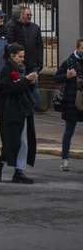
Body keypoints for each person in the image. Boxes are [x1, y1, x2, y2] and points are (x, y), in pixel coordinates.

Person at [0, 43, 38, 184]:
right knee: (12, 141)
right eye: (20, 56)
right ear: (12, 56)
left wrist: (28, 82)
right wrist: (25, 80)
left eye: (23, 56)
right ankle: (0, 165)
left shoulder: (20, 68)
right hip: (11, 110)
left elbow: (20, 87)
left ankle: (19, 171)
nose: (22, 59)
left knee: (23, 141)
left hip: (22, 109)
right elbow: (6, 88)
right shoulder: (7, 69)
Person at [53, 37, 83, 172]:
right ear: (78, 49)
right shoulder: (69, 62)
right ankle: (64, 159)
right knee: (69, 131)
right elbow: (56, 78)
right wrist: (67, 76)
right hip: (72, 101)